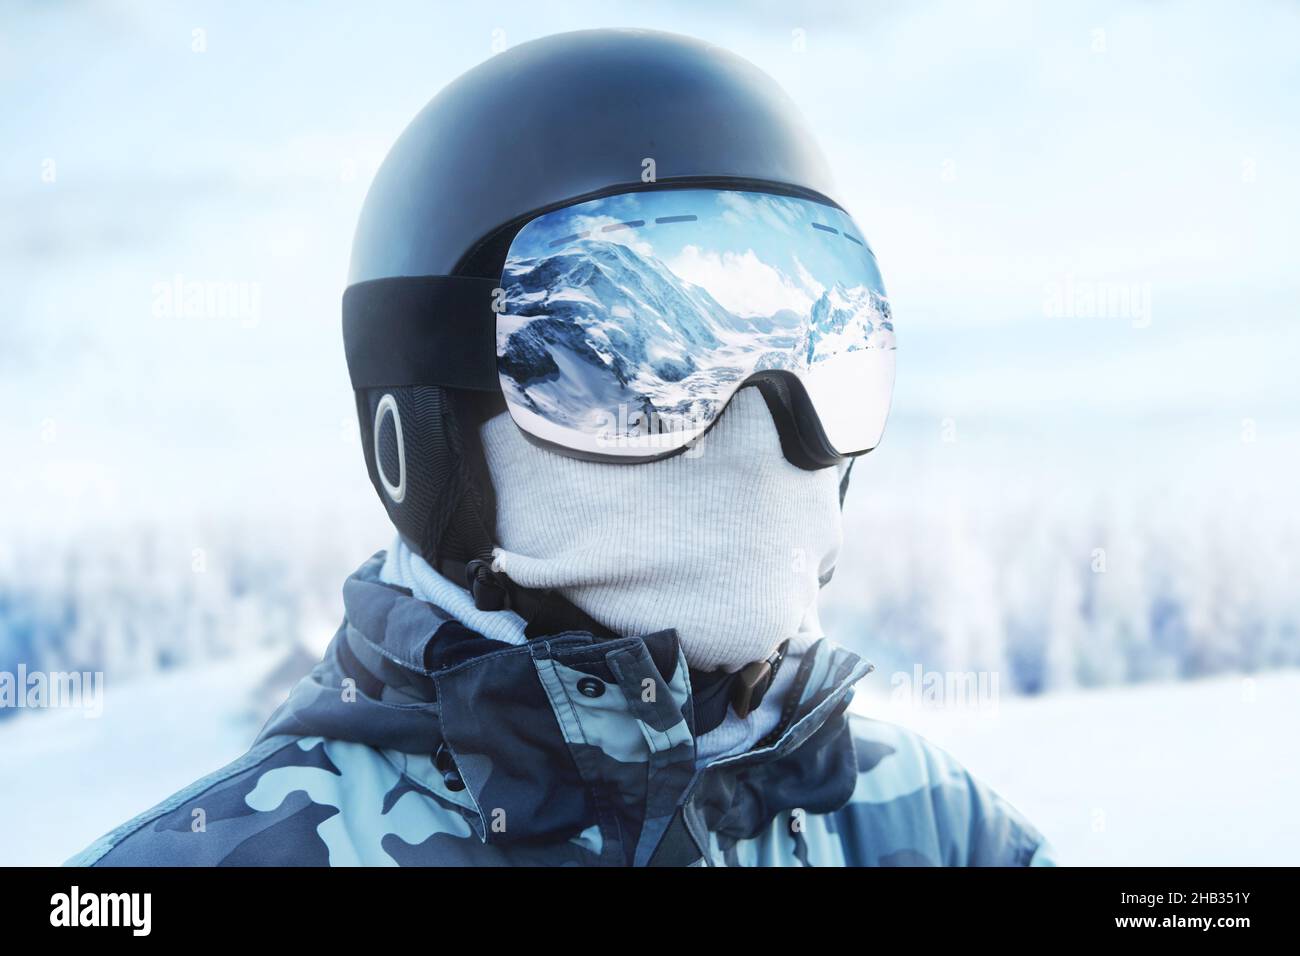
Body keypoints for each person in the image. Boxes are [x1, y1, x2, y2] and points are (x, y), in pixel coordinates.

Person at [69, 28, 1053, 867]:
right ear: (426, 431)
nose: (758, 427)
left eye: (809, 352)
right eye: (626, 367)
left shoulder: (923, 820)